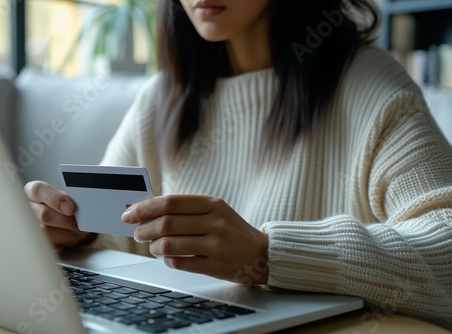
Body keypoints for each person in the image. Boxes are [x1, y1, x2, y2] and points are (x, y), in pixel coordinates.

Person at [24, 0, 452, 328]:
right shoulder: (161, 98)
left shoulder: (370, 86)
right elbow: (117, 237)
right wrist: (71, 232)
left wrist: (269, 255)